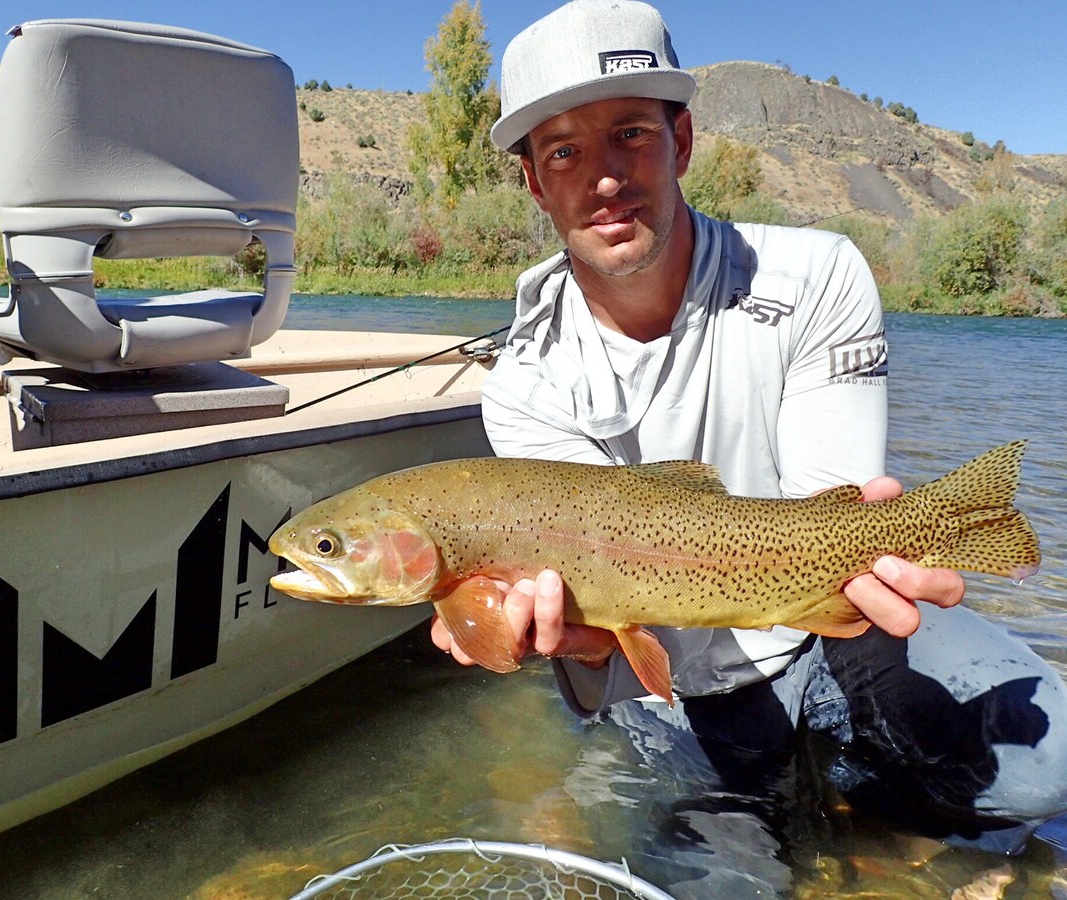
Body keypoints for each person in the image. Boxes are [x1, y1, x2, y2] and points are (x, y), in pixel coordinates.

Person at [430, 0, 1067, 894]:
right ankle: (825, 840)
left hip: (825, 631)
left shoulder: (815, 276)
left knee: (1047, 761)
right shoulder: (526, 380)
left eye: (630, 135)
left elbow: (828, 514)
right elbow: (608, 626)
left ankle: (877, 829)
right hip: (675, 688)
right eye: (565, 151)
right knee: (730, 884)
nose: (605, 176)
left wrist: (902, 537)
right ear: (535, 182)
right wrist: (575, 644)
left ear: (682, 141)